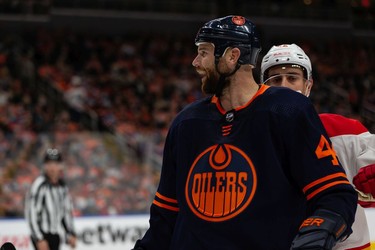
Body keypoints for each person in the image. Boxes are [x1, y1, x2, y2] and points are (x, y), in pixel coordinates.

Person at [132, 15, 358, 250]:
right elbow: (165, 217)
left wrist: (315, 234)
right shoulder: (186, 123)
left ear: (232, 56)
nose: (195, 62)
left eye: (203, 52)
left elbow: (335, 195)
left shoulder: (288, 110)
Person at [261, 43, 375, 250]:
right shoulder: (248, 135)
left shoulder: (345, 130)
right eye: (276, 79)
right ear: (262, 88)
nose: (284, 85)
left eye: (292, 77)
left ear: (308, 85)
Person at [25, 148, 77, 250]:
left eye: (55, 163)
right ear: (45, 166)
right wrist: (39, 238)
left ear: (60, 166)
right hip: (42, 235)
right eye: (49, 164)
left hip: (56, 235)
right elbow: (31, 213)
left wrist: (70, 232)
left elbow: (66, 212)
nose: (52, 167)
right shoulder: (39, 185)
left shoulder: (62, 187)